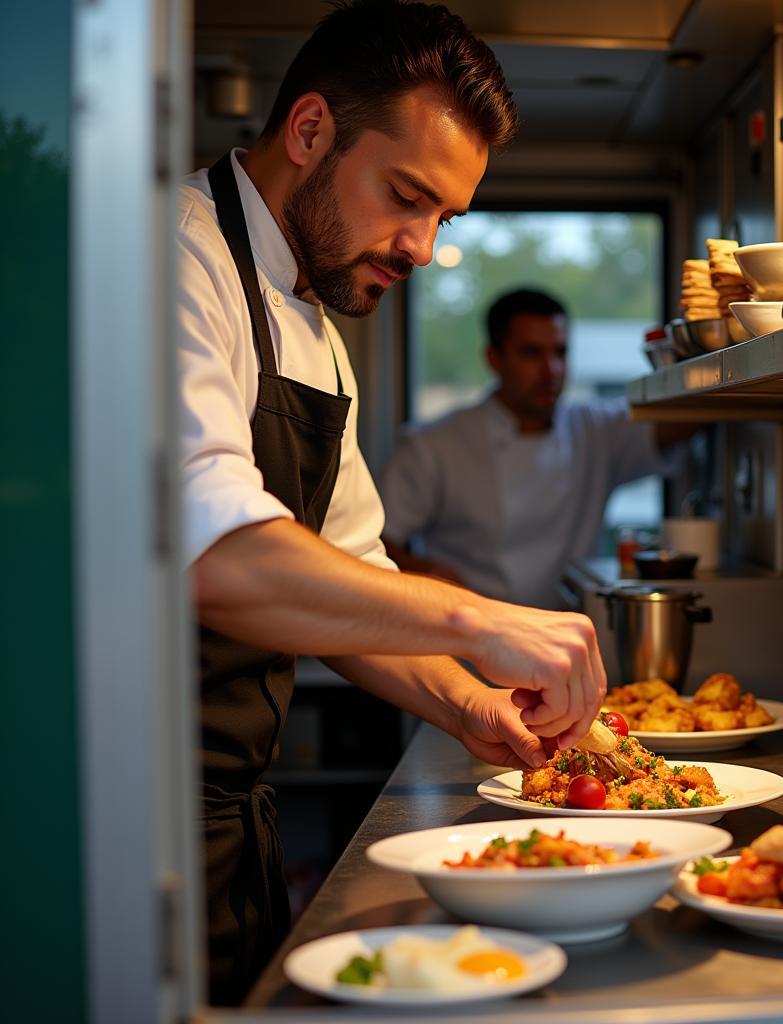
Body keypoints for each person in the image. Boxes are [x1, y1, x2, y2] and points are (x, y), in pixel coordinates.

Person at [177, 0, 605, 1005]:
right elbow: (214, 553)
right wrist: (484, 617)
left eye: (443, 219)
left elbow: (353, 576)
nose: (420, 248)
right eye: (406, 197)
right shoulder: (175, 259)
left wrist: (472, 706)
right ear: (311, 128)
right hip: (117, 812)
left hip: (228, 816)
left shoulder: (318, 331)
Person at [379, 288, 688, 609]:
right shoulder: (435, 444)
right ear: (494, 359)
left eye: (560, 352)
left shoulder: (595, 429)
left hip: (569, 631)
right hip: (470, 639)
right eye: (531, 353)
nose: (551, 370)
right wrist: (425, 572)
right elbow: (376, 539)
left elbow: (682, 420)